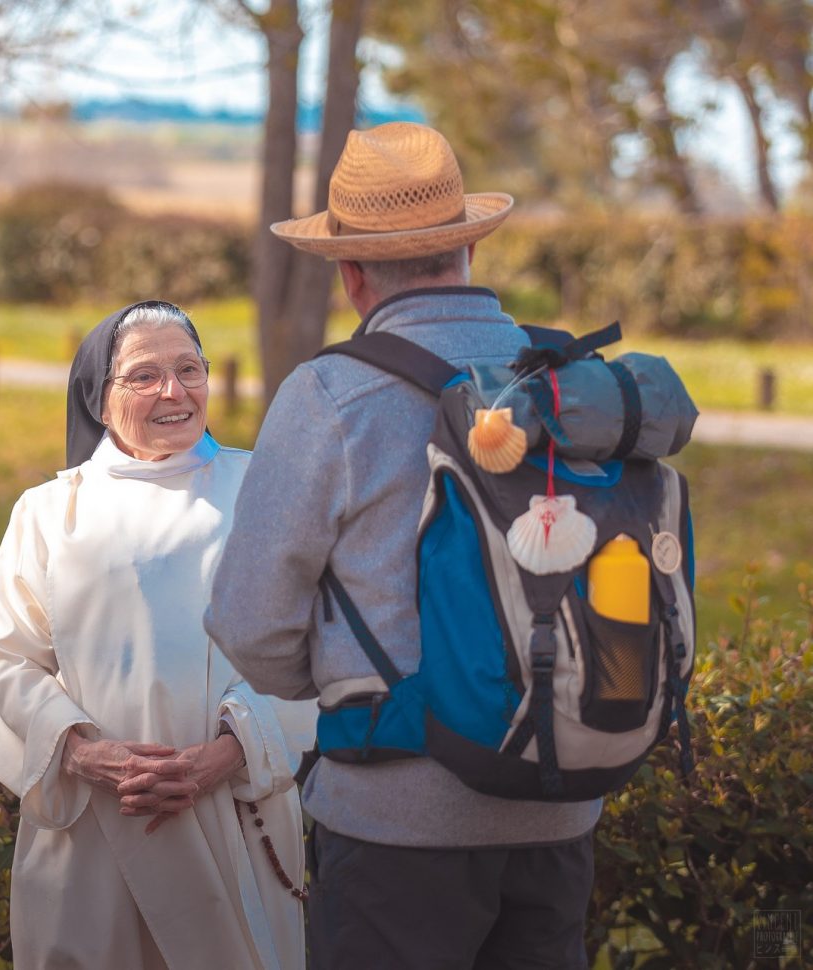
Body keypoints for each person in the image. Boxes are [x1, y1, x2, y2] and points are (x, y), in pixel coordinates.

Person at [206, 122, 603, 970]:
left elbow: (248, 621)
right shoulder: (566, 379)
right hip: (560, 802)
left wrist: (332, 688)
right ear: (466, 249)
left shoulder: (331, 395)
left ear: (348, 274)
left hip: (395, 819)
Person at [0, 301, 315, 970]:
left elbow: (315, 647)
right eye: (144, 375)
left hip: (231, 813)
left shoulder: (264, 489)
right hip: (98, 826)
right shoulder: (48, 513)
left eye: (189, 369)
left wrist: (229, 750)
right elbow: (10, 662)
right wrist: (81, 754)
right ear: (98, 400)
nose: (174, 391)